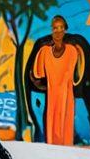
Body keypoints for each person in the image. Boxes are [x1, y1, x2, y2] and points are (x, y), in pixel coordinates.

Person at [30, 15, 84, 146]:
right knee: (52, 137)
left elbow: (70, 74)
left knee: (65, 134)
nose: (58, 31)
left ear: (65, 29)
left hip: (66, 96)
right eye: (55, 28)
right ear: (52, 30)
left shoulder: (72, 51)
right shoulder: (44, 52)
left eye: (61, 28)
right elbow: (37, 73)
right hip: (52, 97)